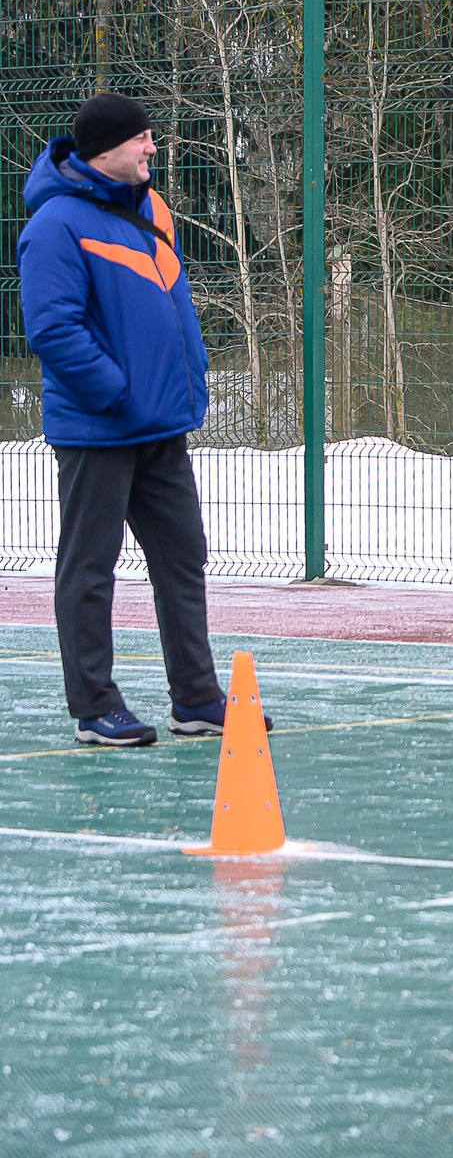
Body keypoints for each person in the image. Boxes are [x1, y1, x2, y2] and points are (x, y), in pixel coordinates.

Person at [18, 92, 238, 746]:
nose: (151, 148)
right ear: (103, 152)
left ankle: (196, 697)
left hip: (160, 425)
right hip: (99, 426)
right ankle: (94, 707)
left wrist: (186, 374)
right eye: (140, 139)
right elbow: (52, 329)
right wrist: (115, 391)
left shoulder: (152, 208)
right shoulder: (55, 224)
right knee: (90, 567)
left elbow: (173, 303)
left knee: (182, 556)